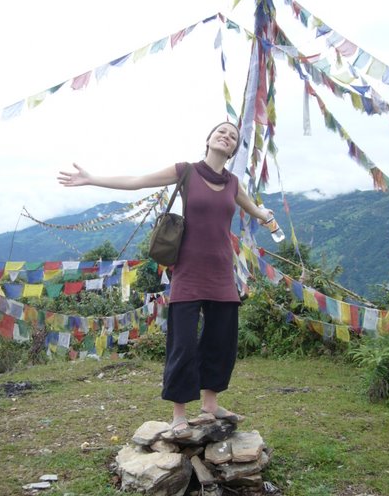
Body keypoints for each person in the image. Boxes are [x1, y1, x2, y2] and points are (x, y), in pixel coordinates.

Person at [57, 122, 274, 439]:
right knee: (182, 344)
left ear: (233, 149)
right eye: (221, 132)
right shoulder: (186, 171)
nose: (226, 136)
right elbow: (137, 181)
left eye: (232, 136)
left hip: (221, 273)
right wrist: (92, 178)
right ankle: (179, 415)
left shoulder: (233, 183)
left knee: (221, 342)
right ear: (209, 139)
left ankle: (211, 405)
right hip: (187, 271)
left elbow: (254, 210)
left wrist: (265, 215)